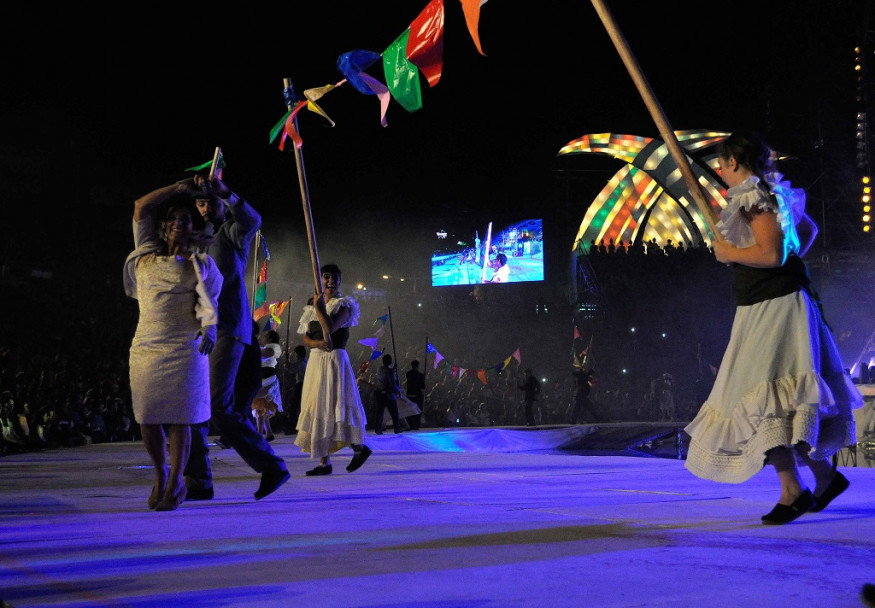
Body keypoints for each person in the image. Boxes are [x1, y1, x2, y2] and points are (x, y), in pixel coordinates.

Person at [684, 130, 862, 525]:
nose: (719, 171)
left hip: (774, 308)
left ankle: (793, 490)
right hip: (771, 304)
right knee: (773, 400)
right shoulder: (771, 191)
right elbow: (806, 234)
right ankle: (823, 477)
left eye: (721, 164)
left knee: (761, 399)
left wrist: (732, 253)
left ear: (732, 162)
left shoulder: (754, 196)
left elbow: (772, 252)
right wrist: (787, 265)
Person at [183, 175, 290, 501]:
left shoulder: (228, 234)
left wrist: (226, 192)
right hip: (194, 332)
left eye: (210, 200)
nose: (204, 207)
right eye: (200, 201)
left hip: (229, 328)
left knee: (217, 406)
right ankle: (199, 479)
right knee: (193, 406)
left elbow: (253, 220)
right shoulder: (190, 240)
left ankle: (270, 464)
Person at [123, 181, 223, 511]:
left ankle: (176, 481)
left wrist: (209, 327)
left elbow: (209, 302)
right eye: (174, 220)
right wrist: (179, 187)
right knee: (148, 418)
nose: (179, 223)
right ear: (164, 227)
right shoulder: (147, 255)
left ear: (192, 228)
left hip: (185, 347)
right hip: (148, 346)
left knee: (182, 419)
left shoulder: (200, 264)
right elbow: (140, 205)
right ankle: (159, 474)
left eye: (185, 219)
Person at [295, 264, 372, 475]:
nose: (330, 281)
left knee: (336, 404)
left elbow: (329, 329)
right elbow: (305, 337)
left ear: (339, 280)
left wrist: (320, 308)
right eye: (326, 277)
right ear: (319, 280)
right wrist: (316, 344)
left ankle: (359, 448)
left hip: (335, 360)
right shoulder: (311, 304)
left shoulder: (344, 305)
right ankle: (324, 462)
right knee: (318, 405)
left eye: (334, 277)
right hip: (316, 359)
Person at [251, 329, 283, 441]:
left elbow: (265, 353)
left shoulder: (274, 347)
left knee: (259, 402)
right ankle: (268, 433)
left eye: (265, 337)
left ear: (269, 339)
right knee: (262, 405)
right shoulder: (262, 348)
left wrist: (252, 349)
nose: (263, 338)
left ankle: (259, 433)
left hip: (268, 378)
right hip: (261, 377)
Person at [374, 354, 404, 434]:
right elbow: (392, 383)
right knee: (394, 412)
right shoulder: (390, 371)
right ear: (390, 361)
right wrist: (399, 390)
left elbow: (386, 373)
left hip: (379, 393)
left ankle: (378, 428)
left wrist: (393, 369)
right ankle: (397, 428)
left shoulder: (379, 369)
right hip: (388, 395)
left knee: (380, 412)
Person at [283, 344, 307, 435]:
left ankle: (293, 426)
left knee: (294, 406)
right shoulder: (306, 361)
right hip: (304, 385)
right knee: (298, 406)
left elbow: (291, 369)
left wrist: (286, 361)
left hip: (300, 385)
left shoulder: (300, 363)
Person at [405, 359, 426, 430]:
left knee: (410, 410)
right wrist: (423, 378)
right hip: (417, 395)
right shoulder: (420, 375)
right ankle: (416, 425)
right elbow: (423, 386)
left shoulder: (408, 374)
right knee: (418, 410)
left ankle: (409, 424)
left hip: (410, 395)